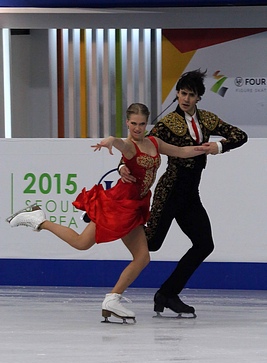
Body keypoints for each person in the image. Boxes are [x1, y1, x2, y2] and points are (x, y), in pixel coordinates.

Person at [7, 103, 209, 323]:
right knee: (134, 256)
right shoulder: (130, 146)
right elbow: (118, 143)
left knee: (90, 244)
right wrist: (110, 141)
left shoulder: (154, 142)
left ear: (146, 124)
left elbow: (180, 152)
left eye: (142, 124)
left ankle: (39, 220)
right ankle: (112, 298)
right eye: (133, 124)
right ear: (127, 123)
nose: (138, 128)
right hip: (121, 205)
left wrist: (206, 148)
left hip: (134, 204)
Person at [119, 71, 248, 317]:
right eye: (182, 93)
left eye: (191, 94)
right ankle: (108, 218)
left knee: (204, 244)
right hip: (170, 190)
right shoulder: (168, 123)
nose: (186, 99)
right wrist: (122, 166)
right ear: (177, 94)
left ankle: (167, 293)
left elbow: (240, 136)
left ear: (199, 97)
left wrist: (218, 146)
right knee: (153, 244)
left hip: (190, 194)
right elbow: (140, 147)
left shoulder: (208, 120)